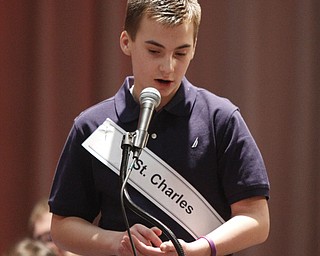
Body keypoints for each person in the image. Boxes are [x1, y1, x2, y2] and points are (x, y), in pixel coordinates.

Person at [49, 0, 270, 255]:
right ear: (126, 42)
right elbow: (63, 226)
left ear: (194, 48)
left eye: (180, 53)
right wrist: (118, 241)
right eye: (154, 51)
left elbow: (257, 219)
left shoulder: (221, 119)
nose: (168, 67)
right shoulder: (93, 126)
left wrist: (197, 250)